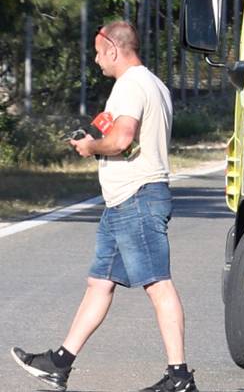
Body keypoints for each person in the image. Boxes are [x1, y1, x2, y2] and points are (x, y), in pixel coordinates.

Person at [10, 21, 198, 392]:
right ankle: (59, 363)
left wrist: (90, 147)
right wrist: (101, 142)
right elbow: (128, 138)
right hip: (123, 201)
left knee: (158, 284)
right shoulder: (154, 84)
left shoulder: (129, 85)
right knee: (99, 284)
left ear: (114, 48)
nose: (96, 61)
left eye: (98, 53)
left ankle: (179, 377)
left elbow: (122, 138)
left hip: (137, 197)